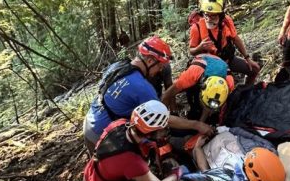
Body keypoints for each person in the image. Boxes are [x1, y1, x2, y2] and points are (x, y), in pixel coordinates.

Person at [83, 36, 213, 150]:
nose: (159, 70)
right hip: (103, 134)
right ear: (150, 61)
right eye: (160, 66)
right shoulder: (143, 87)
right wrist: (197, 124)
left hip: (90, 122)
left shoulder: (117, 66)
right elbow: (164, 119)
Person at [83, 100, 183, 181]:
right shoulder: (132, 161)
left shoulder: (120, 124)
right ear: (151, 133)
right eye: (163, 129)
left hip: (90, 174)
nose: (164, 132)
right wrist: (175, 174)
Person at [189, 0, 260, 83]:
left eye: (213, 15)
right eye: (206, 15)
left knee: (254, 69)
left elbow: (236, 39)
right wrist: (200, 48)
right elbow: (192, 51)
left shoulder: (226, 22)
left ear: (221, 15)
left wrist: (247, 58)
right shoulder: (197, 28)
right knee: (224, 86)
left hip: (227, 59)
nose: (209, 19)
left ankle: (247, 90)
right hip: (209, 64)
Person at [160, 53, 235, 124]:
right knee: (190, 97)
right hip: (201, 64)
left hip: (219, 65)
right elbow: (167, 95)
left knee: (211, 112)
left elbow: (210, 106)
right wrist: (171, 114)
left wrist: (200, 125)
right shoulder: (192, 74)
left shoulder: (228, 86)